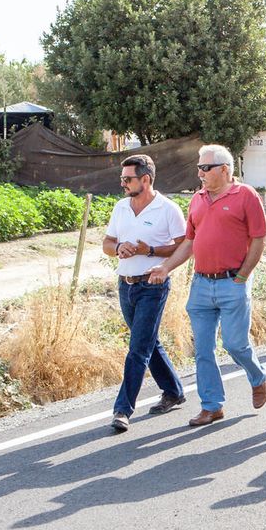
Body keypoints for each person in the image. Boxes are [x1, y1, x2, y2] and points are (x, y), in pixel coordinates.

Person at [147, 145, 266, 427]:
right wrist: (165, 267)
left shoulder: (246, 196)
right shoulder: (198, 199)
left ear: (224, 170)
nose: (200, 173)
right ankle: (212, 405)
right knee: (203, 349)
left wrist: (242, 277)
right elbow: (190, 241)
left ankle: (258, 376)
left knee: (235, 344)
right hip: (201, 284)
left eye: (205, 168)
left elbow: (259, 239)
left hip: (233, 282)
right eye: (199, 168)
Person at [101, 154, 188, 432]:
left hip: (153, 284)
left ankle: (122, 409)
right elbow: (106, 242)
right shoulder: (120, 207)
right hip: (125, 284)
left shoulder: (167, 209)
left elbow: (183, 245)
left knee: (137, 348)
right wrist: (118, 249)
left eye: (128, 179)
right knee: (148, 341)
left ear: (146, 179)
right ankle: (173, 390)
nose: (123, 183)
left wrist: (148, 250)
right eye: (122, 178)